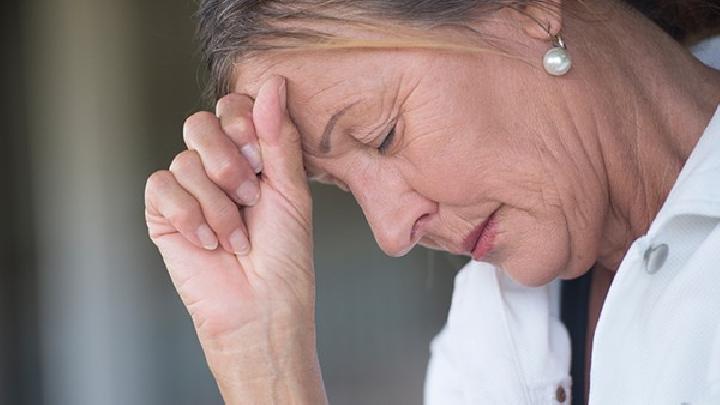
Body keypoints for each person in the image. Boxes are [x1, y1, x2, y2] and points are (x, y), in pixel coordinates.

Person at [143, 0, 720, 403]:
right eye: (340, 187)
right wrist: (263, 354)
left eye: (382, 135)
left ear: (529, 9)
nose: (394, 233)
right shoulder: (496, 323)